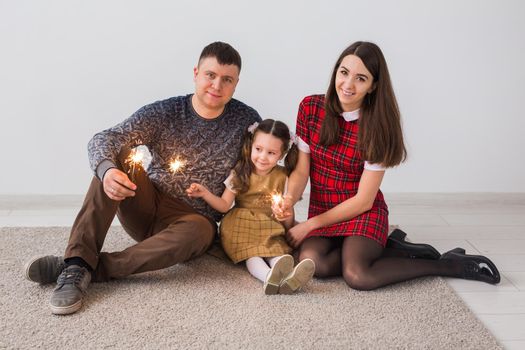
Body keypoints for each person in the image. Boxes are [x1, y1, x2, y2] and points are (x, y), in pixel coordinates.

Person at [24, 41, 262, 314]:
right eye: (210, 75)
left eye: (227, 79)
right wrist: (108, 171)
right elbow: (106, 138)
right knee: (120, 156)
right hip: (145, 202)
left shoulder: (246, 121)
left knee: (202, 231)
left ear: (236, 83)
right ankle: (79, 258)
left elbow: (260, 168)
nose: (216, 86)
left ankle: (79, 267)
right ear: (196, 73)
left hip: (192, 222)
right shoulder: (165, 112)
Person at [273, 41, 500, 290]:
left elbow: (364, 201)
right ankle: (391, 249)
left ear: (373, 86)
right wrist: (289, 200)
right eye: (344, 72)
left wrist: (309, 224)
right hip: (325, 210)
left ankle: (448, 264)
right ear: (336, 71)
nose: (348, 85)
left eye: (361, 78)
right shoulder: (310, 108)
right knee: (313, 261)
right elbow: (302, 171)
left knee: (358, 275)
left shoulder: (376, 127)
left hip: (362, 212)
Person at [186, 119, 315, 295]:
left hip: (269, 224)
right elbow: (224, 206)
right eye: (258, 149)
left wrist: (287, 222)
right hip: (240, 223)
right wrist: (205, 194)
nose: (262, 157)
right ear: (251, 146)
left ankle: (288, 277)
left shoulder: (283, 177)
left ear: (282, 154)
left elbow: (287, 211)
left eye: (271, 152)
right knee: (252, 254)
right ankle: (268, 277)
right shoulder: (240, 172)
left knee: (275, 250)